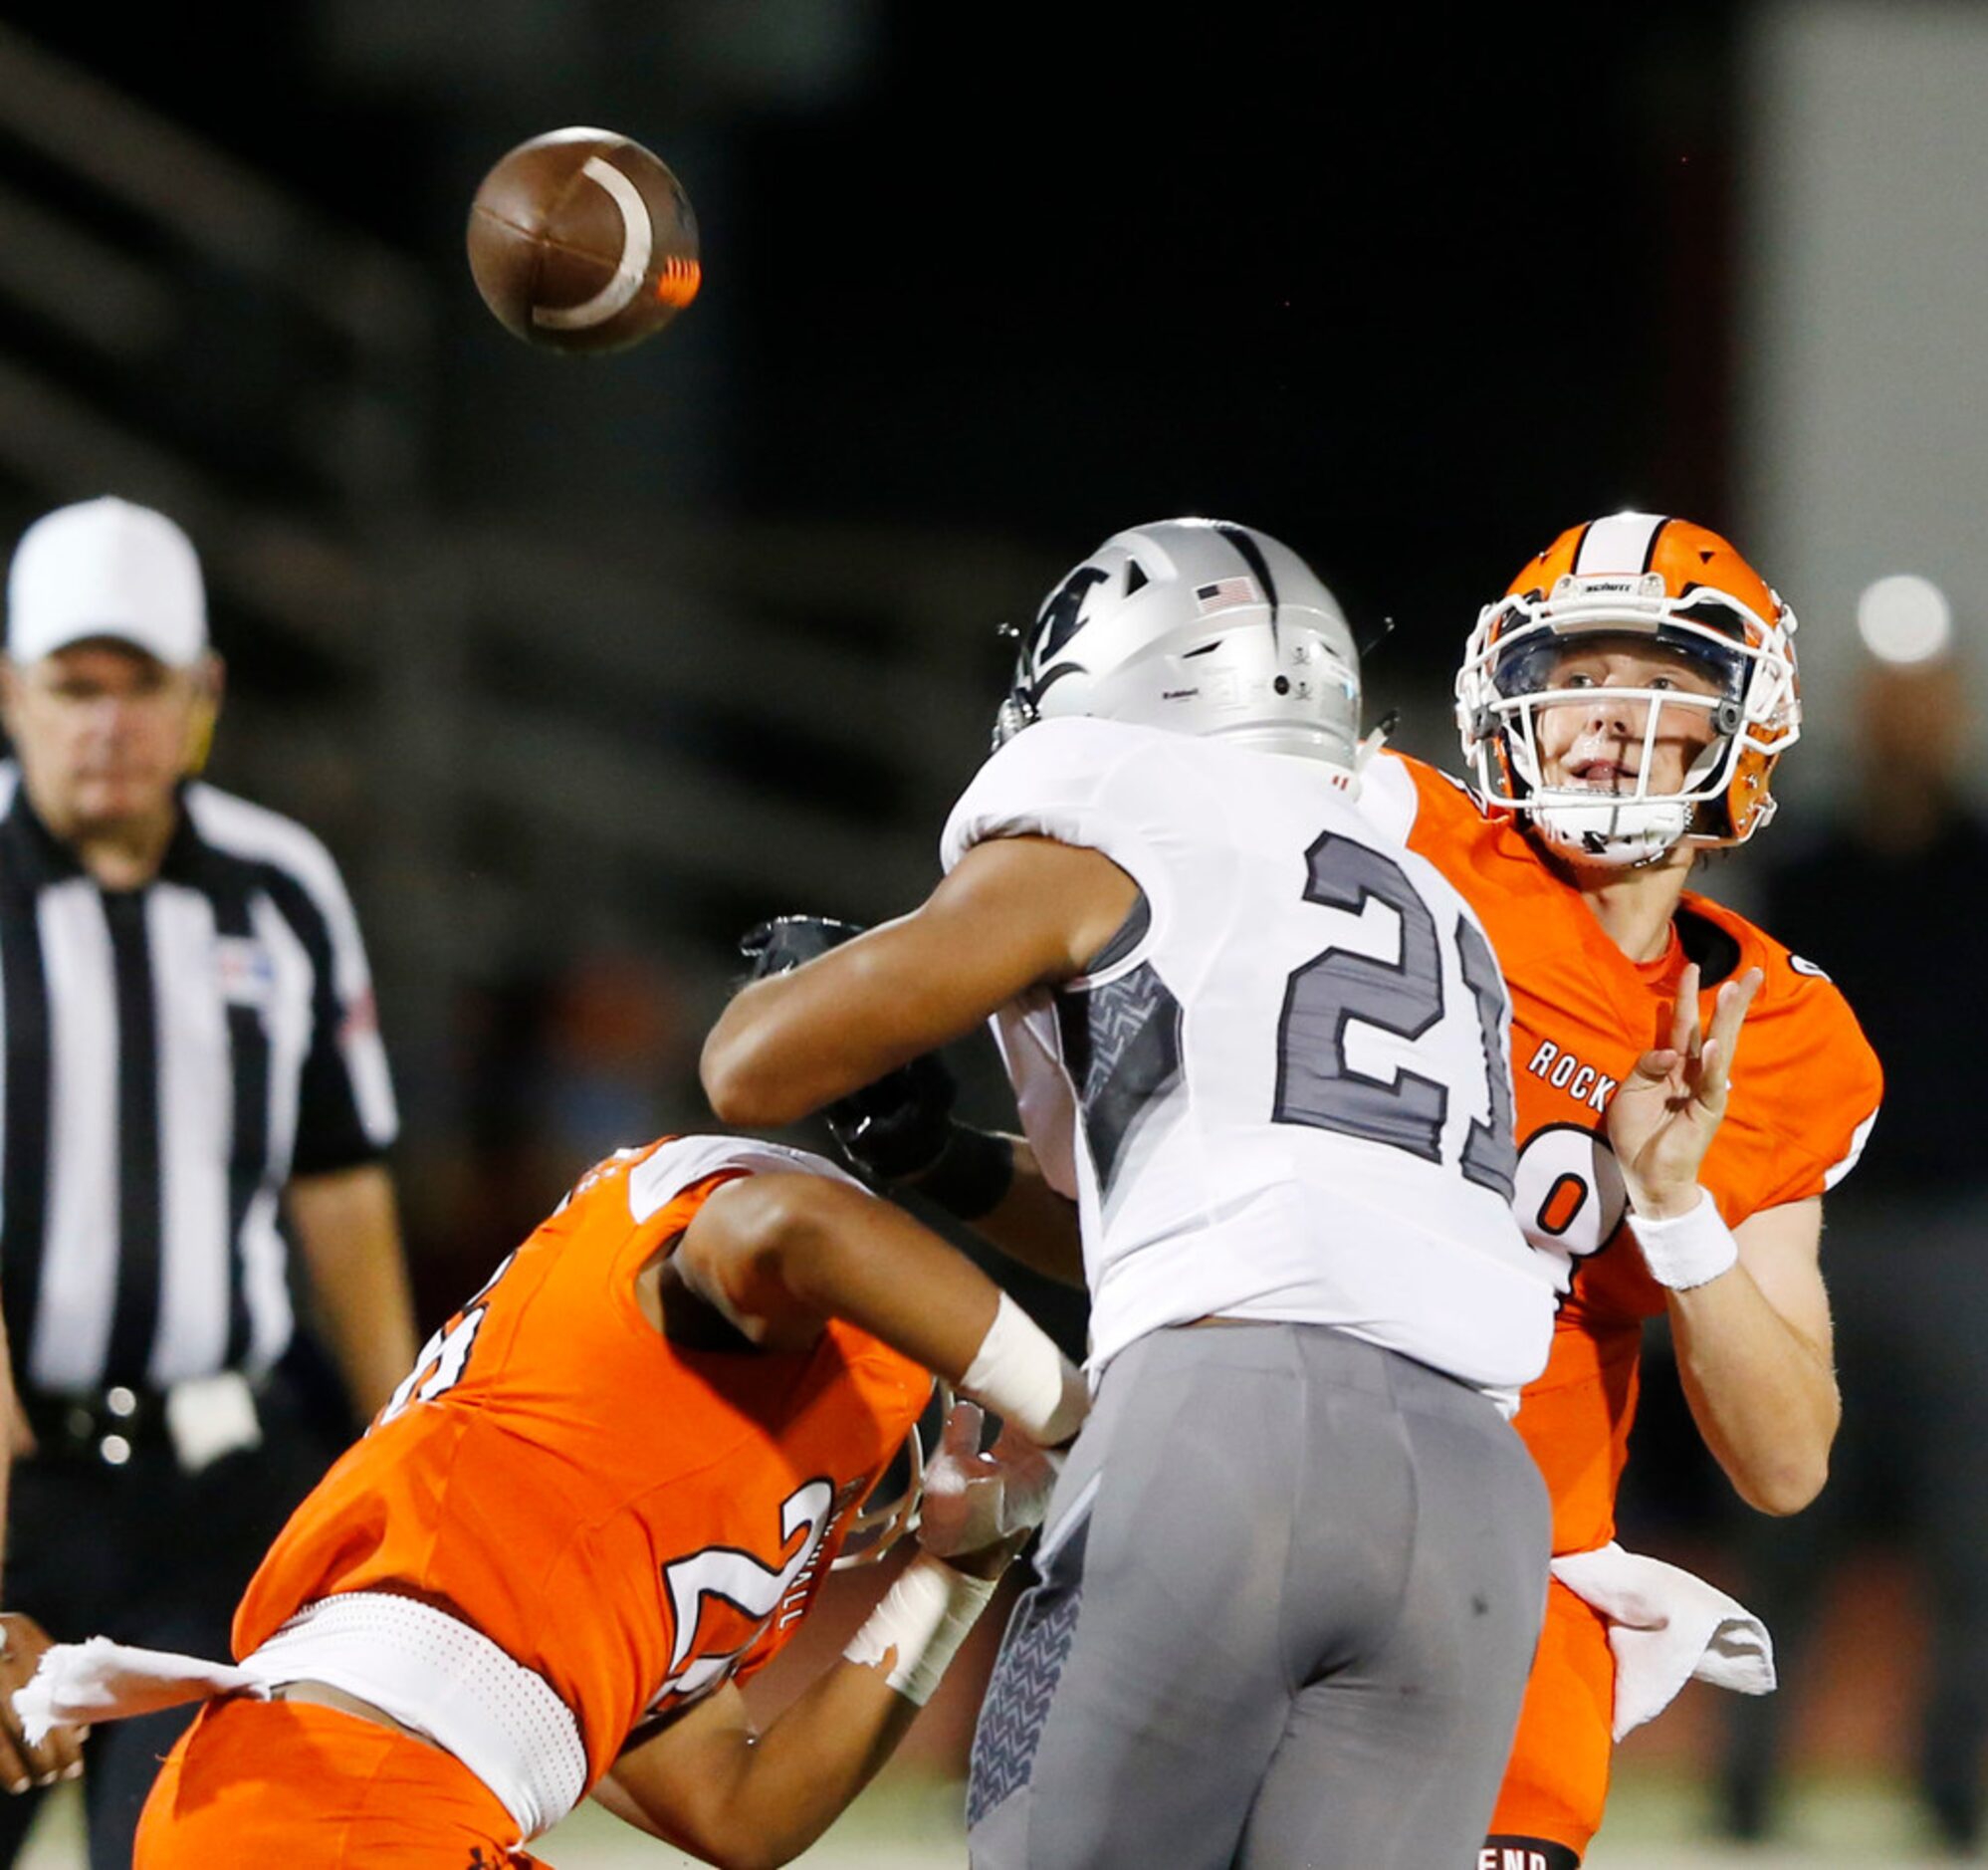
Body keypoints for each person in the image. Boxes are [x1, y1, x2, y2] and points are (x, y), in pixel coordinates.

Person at [704, 519, 1612, 1869]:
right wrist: (932, 1153)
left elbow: (750, 1069)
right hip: (1477, 1492)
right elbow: (1150, 1218)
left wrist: (797, 986)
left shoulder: (1120, 808)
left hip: (1226, 1441)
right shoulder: (1436, 899)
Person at [13, 1131, 1086, 1867]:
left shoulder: (589, 1517)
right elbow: (797, 1224)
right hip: (344, 1804)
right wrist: (1066, 1409)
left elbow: (739, 1816)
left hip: (316, 1798)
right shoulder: (695, 1294)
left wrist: (952, 1573)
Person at [1349, 511, 1882, 1867]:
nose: (1604, 714)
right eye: (1572, 675)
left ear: (1743, 726)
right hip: (1273, 1498)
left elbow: (1783, 1459)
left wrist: (1675, 1208)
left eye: (1654, 677)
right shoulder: (1396, 835)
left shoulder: (1781, 1030)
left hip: (1514, 1593)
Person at [0, 496, 418, 1869]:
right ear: (12, 689)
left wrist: (409, 1463)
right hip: (16, 1483)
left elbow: (341, 1186)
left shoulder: (280, 886)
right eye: (73, 686)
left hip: (216, 1493)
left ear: (204, 696)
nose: (105, 722)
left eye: (140, 687)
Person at [1717, 650, 1987, 1851]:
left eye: (1924, 698)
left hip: (1954, 1237)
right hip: (1808, 1225)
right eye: (1887, 696)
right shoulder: (1805, 870)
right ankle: (1744, 1786)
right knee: (1781, 1516)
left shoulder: (1981, 867)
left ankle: (1946, 1787)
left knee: (1968, 1534)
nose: (1905, 719)